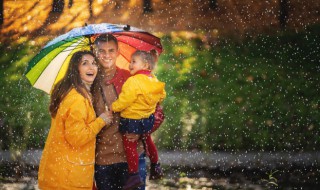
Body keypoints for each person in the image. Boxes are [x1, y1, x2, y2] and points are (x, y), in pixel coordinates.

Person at [92, 34, 165, 190]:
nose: (106, 55)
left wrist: (142, 131)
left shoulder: (132, 77)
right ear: (95, 52)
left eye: (111, 50)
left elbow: (157, 111)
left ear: (118, 52)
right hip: (103, 160)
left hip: (133, 158)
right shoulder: (89, 82)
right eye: (102, 51)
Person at [38, 50, 113, 190]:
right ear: (76, 69)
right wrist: (101, 120)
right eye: (85, 63)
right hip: (68, 177)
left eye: (94, 63)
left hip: (60, 171)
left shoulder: (74, 93)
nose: (91, 67)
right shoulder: (77, 100)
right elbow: (76, 138)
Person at [111, 50, 166, 189]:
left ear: (146, 64)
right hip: (147, 119)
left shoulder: (133, 81)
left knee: (130, 146)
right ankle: (156, 165)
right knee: (147, 140)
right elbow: (161, 95)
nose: (130, 65)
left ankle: (134, 175)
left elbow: (125, 100)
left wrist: (114, 107)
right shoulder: (154, 80)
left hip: (132, 119)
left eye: (134, 62)